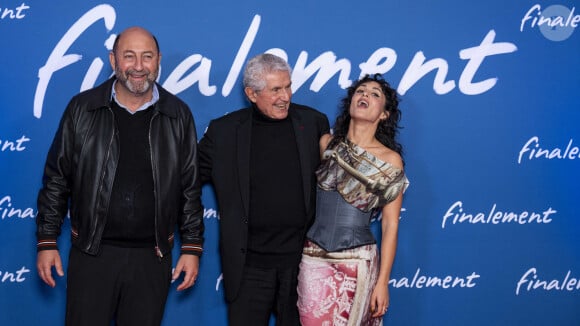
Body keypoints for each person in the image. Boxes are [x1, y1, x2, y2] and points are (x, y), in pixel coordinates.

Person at [35, 26, 204, 326]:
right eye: (129, 56)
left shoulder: (178, 115)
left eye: (147, 56)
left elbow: (188, 188)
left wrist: (191, 247)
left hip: (152, 259)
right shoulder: (82, 109)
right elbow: (57, 179)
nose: (138, 66)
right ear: (113, 61)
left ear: (158, 60)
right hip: (92, 254)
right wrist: (47, 240)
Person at [198, 53, 330, 325]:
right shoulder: (223, 132)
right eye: (276, 90)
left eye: (288, 86)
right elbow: (184, 184)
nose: (285, 97)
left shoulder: (314, 123)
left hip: (302, 263)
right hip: (249, 267)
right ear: (251, 93)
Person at [297, 74, 409, 326]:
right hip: (313, 255)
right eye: (360, 91)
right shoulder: (326, 143)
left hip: (357, 260)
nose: (365, 95)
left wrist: (382, 283)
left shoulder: (390, 161)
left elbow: (390, 225)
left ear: (384, 114)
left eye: (375, 94)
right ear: (350, 103)